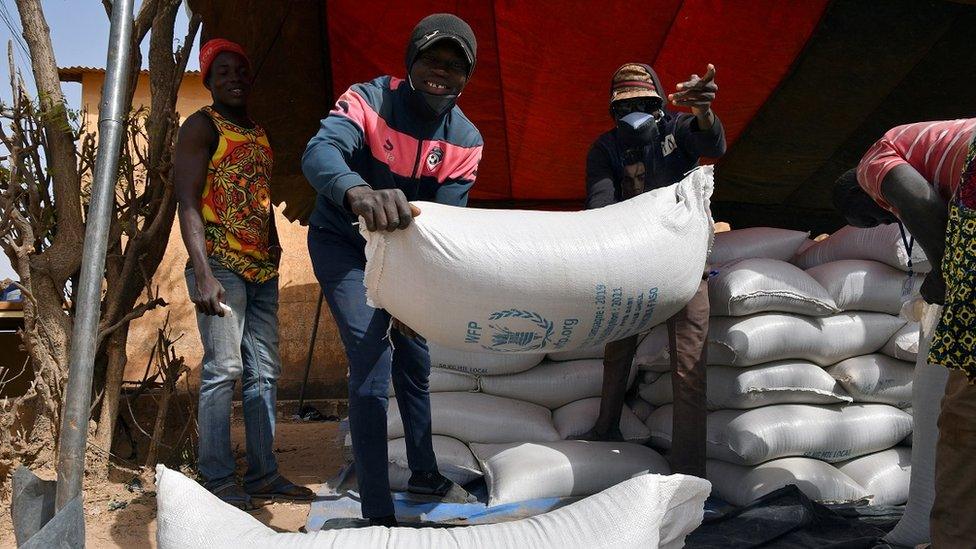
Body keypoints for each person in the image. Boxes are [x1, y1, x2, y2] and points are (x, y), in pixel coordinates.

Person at [302, 14, 483, 526]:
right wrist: (356, 191)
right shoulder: (368, 100)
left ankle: (424, 474)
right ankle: (378, 515)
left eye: (455, 66)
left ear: (466, 78)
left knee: (415, 360)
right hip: (343, 243)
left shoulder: (465, 141)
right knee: (371, 362)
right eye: (431, 59)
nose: (440, 73)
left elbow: (445, 226)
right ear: (411, 61)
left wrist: (419, 293)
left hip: (405, 258)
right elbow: (319, 153)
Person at [173, 39, 314, 510]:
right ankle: (216, 479)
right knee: (223, 370)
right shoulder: (200, 127)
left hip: (261, 269)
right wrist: (205, 275)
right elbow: (188, 203)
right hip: (220, 268)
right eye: (223, 71)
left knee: (265, 374)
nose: (234, 78)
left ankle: (263, 475)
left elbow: (257, 197)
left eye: (241, 71)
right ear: (209, 80)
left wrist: (272, 246)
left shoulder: (258, 132)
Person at [833, 118, 976, 547]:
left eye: (874, 216)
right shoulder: (925, 145)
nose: (884, 217)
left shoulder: (872, 163)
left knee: (964, 412)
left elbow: (921, 202)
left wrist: (946, 276)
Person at [582, 62, 726, 478]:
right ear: (612, 113)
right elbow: (599, 208)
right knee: (617, 351)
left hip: (684, 265)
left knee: (688, 366)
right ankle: (606, 429)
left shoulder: (678, 130)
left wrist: (704, 113)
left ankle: (688, 471)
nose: (635, 114)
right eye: (625, 108)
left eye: (645, 104)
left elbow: (712, 143)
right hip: (632, 268)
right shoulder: (605, 149)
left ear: (661, 104)